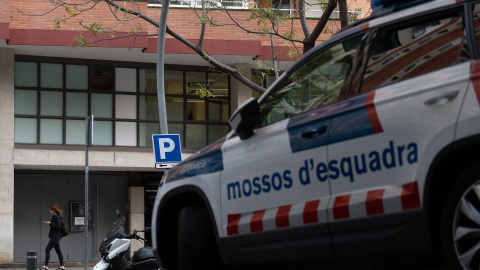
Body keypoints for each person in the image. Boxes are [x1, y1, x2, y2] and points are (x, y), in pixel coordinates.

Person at [40, 204, 66, 270]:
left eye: (50, 210)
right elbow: (54, 226)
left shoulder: (57, 217)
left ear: (54, 210)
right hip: (55, 236)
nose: (50, 212)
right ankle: (62, 267)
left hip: (56, 236)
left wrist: (50, 223)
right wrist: (49, 223)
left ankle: (45, 266)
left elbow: (58, 226)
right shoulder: (54, 217)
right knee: (58, 251)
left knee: (47, 249)